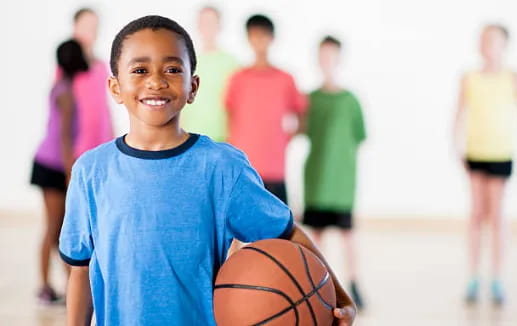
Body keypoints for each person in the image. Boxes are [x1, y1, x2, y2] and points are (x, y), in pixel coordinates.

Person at [58, 16, 356, 326]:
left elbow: (287, 232)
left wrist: (341, 298)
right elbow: (80, 271)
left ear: (193, 86)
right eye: (140, 70)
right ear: (116, 87)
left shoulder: (221, 168)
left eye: (173, 69)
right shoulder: (91, 171)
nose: (156, 81)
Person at [453, 24, 517, 305]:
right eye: (483, 40)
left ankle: (496, 278)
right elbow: (458, 114)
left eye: (492, 40)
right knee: (476, 214)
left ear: (504, 44)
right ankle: (473, 277)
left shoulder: (512, 78)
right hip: (476, 152)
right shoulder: (469, 78)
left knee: (498, 215)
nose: (487, 45)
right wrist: (456, 146)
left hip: (500, 152)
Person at [302, 36, 367, 309]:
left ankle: (354, 283)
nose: (327, 61)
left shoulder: (350, 100)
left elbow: (360, 136)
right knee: (315, 238)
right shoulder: (309, 99)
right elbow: (300, 129)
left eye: (332, 56)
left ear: (339, 59)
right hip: (316, 178)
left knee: (347, 235)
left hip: (341, 182)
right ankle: (317, 285)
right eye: (323, 56)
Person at [225, 14, 306, 204]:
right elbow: (230, 115)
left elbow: (301, 115)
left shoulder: (285, 79)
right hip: (245, 168)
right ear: (248, 40)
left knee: (279, 228)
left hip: (275, 168)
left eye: (263, 36)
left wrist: (284, 139)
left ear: (272, 39)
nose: (259, 42)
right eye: (254, 36)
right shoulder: (238, 78)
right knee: (241, 228)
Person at [31, 39, 88, 304]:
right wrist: (70, 173)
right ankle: (45, 286)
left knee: (56, 230)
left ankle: (64, 284)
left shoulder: (61, 86)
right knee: (54, 228)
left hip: (48, 163)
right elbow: (65, 138)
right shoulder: (65, 92)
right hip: (53, 167)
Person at [181, 5, 238, 142]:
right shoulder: (185, 61)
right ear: (198, 25)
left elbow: (237, 103)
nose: (208, 27)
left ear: (219, 26)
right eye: (204, 22)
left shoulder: (232, 63)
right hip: (190, 136)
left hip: (222, 137)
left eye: (212, 22)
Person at [71, 7, 114, 158]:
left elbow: (105, 106)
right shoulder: (67, 66)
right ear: (75, 27)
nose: (91, 30)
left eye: (95, 26)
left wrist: (112, 137)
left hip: (101, 142)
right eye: (86, 25)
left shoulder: (101, 66)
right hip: (76, 145)